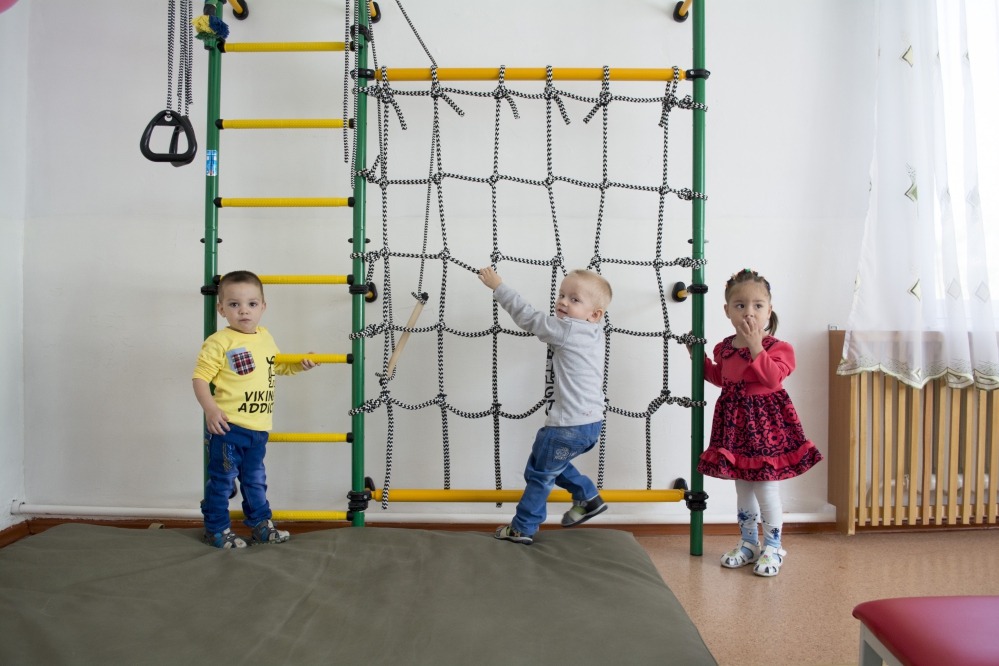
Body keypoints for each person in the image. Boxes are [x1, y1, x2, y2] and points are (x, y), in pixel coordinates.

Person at [692, 269, 823, 576]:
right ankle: (749, 543)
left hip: (765, 426)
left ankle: (773, 547)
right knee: (743, 488)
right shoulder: (725, 347)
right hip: (735, 426)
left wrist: (755, 346)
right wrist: (699, 358)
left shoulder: (778, 348)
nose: (748, 312)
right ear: (727, 311)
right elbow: (721, 378)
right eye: (740, 305)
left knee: (765, 488)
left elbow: (772, 378)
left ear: (769, 310)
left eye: (757, 306)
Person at [478, 266, 612, 545]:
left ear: (594, 314)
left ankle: (523, 527)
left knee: (540, 474)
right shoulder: (594, 332)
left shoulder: (567, 329)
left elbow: (528, 317)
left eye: (574, 299)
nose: (563, 302)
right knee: (543, 465)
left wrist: (498, 286)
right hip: (590, 423)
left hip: (567, 425)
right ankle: (587, 496)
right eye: (562, 295)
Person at [192, 271, 320, 548]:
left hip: (258, 429)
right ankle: (216, 529)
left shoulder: (265, 337)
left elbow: (278, 367)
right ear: (221, 309)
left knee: (255, 481)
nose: (243, 311)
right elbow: (200, 378)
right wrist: (210, 410)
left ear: (263, 307)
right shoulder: (220, 341)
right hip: (227, 427)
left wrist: (301, 363)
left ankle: (261, 525)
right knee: (222, 481)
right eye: (234, 304)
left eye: (251, 304)